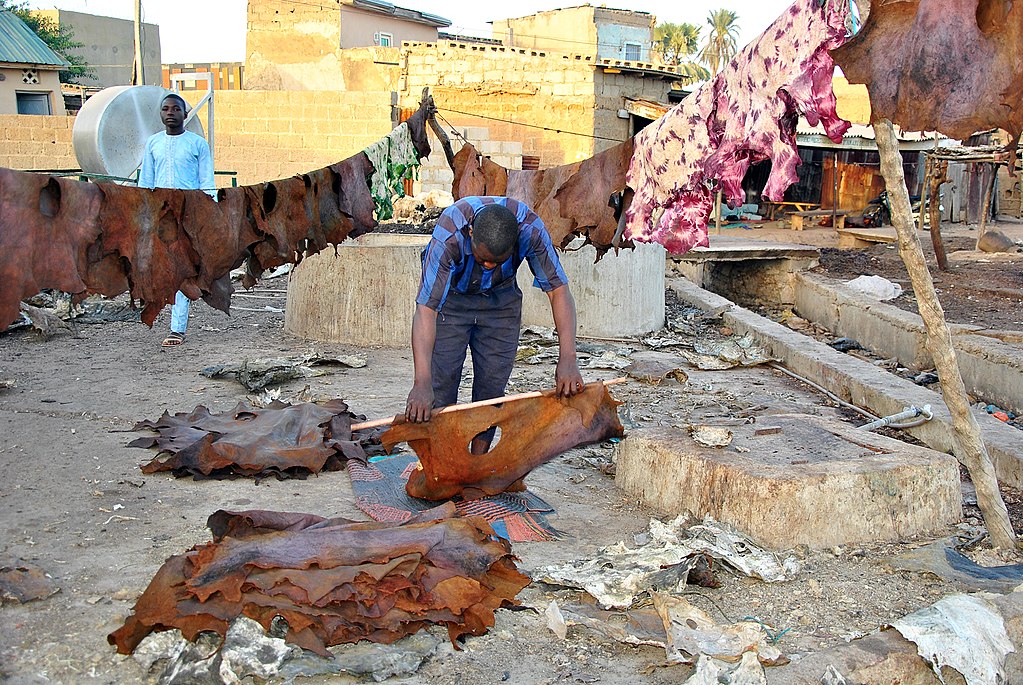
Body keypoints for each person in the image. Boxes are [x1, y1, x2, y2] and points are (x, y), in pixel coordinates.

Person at [405, 196, 584, 454]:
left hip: (501, 302)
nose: (488, 266)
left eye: (496, 261)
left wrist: (568, 357)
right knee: (440, 385)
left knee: (491, 388)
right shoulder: (448, 236)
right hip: (452, 301)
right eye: (482, 259)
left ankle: (478, 462)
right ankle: (441, 461)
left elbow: (558, 290)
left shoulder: (530, 231)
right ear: (470, 234)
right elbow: (426, 310)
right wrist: (422, 382)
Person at [138, 92, 215, 347]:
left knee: (181, 267)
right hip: (161, 213)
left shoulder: (197, 144)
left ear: (185, 114)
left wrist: (207, 211)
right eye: (165, 109)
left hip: (188, 213)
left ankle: (177, 328)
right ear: (161, 114)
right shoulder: (153, 144)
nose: (170, 113)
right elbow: (146, 181)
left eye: (175, 109)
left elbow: (207, 182)